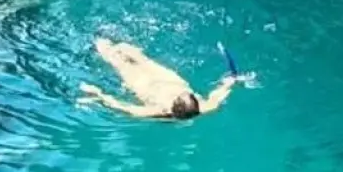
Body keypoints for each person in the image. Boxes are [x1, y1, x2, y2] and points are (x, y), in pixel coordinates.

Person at [77, 38, 241, 119]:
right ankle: (120, 44)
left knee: (118, 61)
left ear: (171, 107)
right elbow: (217, 96)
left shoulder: (155, 111)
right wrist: (229, 82)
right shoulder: (203, 107)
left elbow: (120, 106)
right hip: (167, 79)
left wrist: (97, 94)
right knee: (142, 58)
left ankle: (97, 40)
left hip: (143, 84)